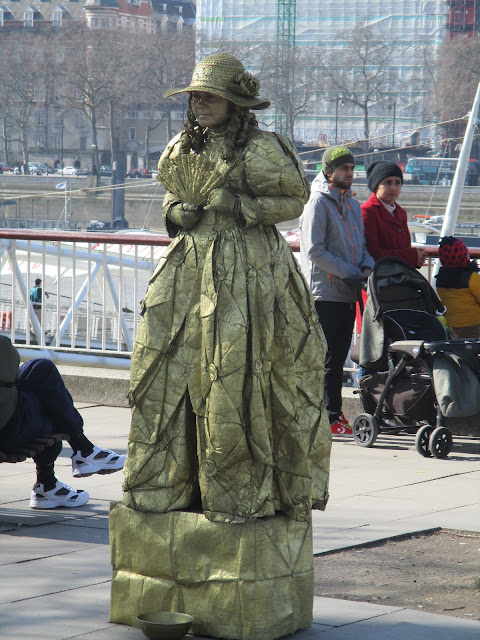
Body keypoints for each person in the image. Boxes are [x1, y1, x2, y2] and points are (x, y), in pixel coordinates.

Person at [122, 53, 331, 525]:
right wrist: (177, 213)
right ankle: (172, 483)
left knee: (235, 371)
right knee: (171, 369)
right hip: (188, 270)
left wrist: (238, 204)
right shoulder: (182, 147)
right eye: (195, 97)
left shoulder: (261, 148)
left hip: (246, 270)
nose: (199, 105)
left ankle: (237, 487)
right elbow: (171, 196)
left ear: (234, 103)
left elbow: (294, 200)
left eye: (209, 98)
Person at [0, 336, 126, 509]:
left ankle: (78, 456)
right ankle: (61, 470)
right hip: (6, 430)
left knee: (39, 368)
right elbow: (7, 356)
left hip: (6, 419)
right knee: (51, 402)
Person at [300, 145, 374, 435]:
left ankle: (332, 416)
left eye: (352, 168)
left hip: (347, 291)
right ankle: (329, 418)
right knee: (326, 359)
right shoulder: (317, 203)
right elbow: (314, 251)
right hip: (324, 293)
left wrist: (367, 267)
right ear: (329, 171)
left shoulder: (352, 203)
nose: (349, 173)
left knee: (338, 355)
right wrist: (352, 273)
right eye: (344, 168)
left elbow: (362, 246)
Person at [361, 160, 426, 269]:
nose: (393, 188)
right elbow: (372, 253)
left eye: (397, 182)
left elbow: (405, 246)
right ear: (376, 186)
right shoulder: (367, 211)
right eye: (387, 182)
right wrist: (411, 256)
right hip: (380, 276)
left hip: (400, 274)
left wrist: (416, 257)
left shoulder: (401, 212)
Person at [436, 236, 480, 338]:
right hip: (474, 323)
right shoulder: (472, 278)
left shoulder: (440, 279)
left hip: (451, 324)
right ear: (463, 256)